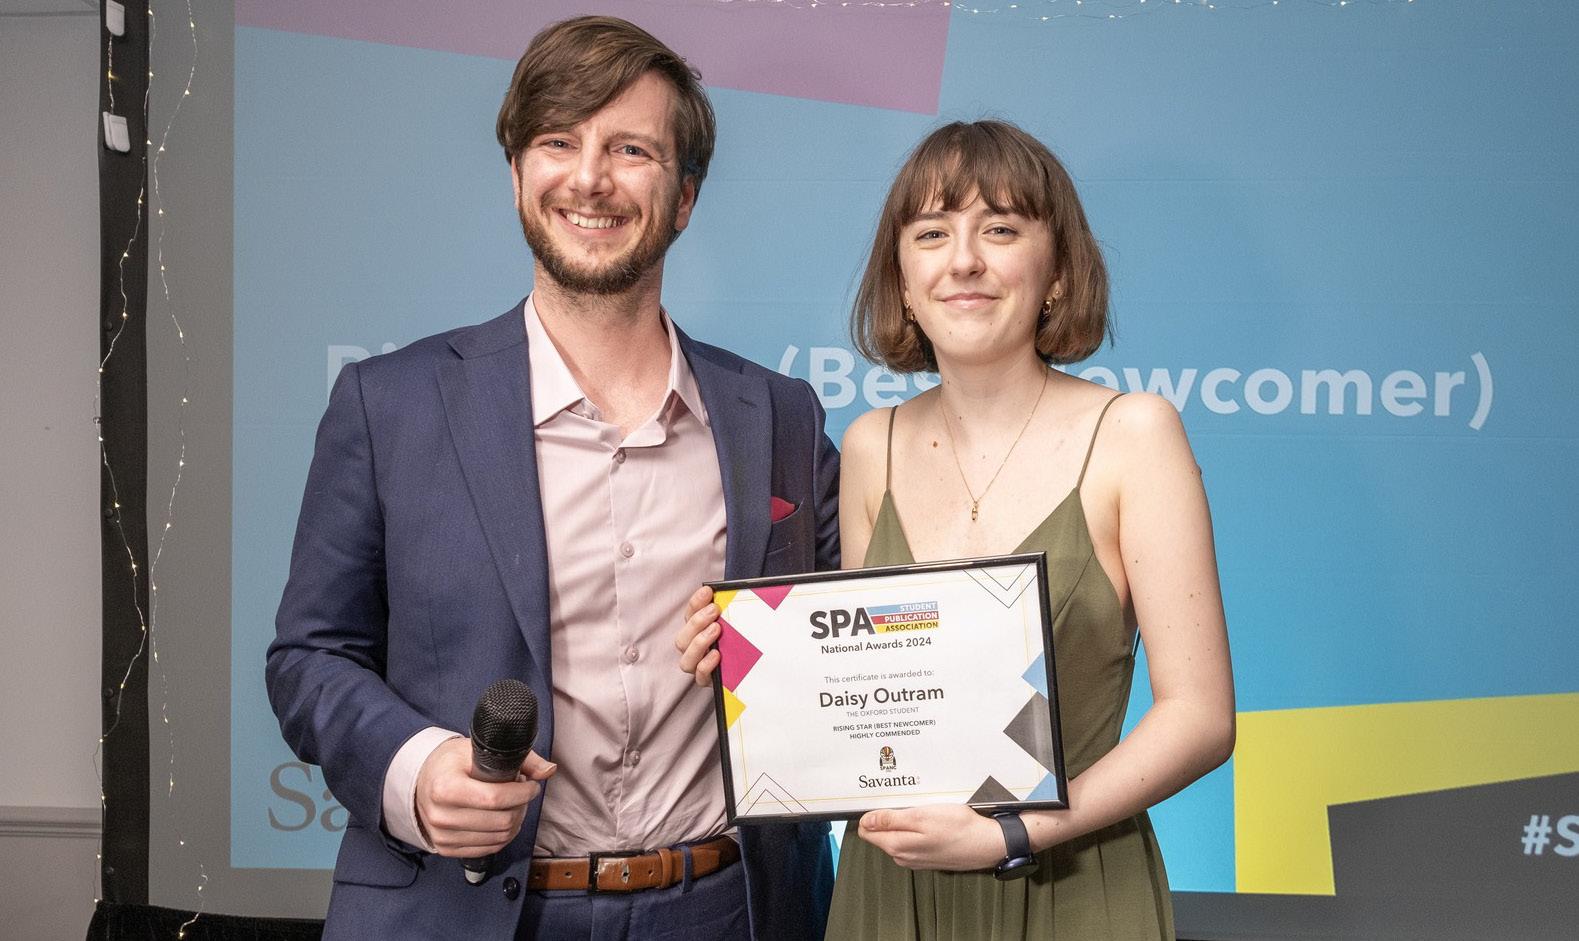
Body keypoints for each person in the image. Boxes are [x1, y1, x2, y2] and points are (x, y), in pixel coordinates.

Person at [267, 16, 838, 940]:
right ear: (517, 175)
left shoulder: (780, 416)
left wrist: (780, 646)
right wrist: (415, 770)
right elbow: (310, 656)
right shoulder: (390, 404)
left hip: (728, 908)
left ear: (685, 197)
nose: (589, 178)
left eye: (631, 149)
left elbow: (848, 642)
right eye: (557, 142)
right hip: (463, 911)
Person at [678, 120, 1234, 938]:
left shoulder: (1133, 434)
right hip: (891, 887)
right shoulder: (871, 445)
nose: (963, 260)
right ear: (903, 281)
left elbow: (1200, 717)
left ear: (1055, 272)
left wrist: (1016, 832)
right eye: (932, 233)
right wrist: (747, 665)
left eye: (999, 230)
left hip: (1070, 882)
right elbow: (868, 697)